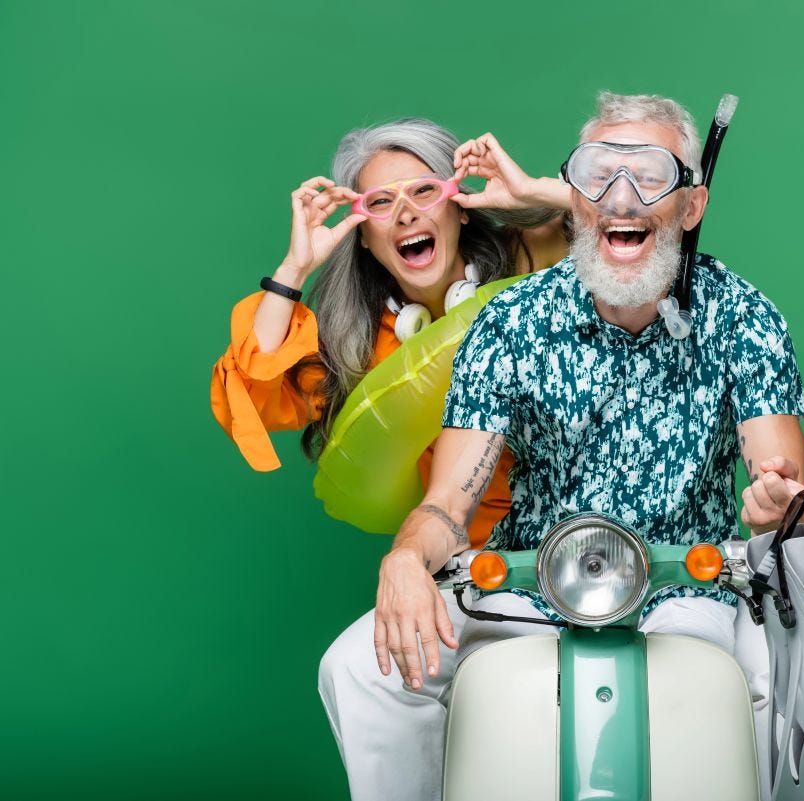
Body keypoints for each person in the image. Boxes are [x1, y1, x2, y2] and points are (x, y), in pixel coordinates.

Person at [320, 91, 804, 800]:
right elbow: (447, 502)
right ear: (575, 204)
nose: (622, 198)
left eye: (649, 177)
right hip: (525, 582)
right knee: (356, 666)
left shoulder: (746, 315)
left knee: (793, 675)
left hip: (689, 585)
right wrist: (405, 555)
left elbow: (780, 477)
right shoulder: (509, 322)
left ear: (691, 206)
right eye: (598, 177)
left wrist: (776, 501)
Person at [209, 118, 570, 801]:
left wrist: (524, 191)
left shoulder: (535, 273)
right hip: (469, 569)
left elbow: (628, 225)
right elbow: (247, 401)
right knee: (353, 666)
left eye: (423, 191)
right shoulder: (360, 344)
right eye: (380, 203)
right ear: (365, 232)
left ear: (459, 206)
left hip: (579, 550)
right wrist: (294, 269)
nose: (405, 213)